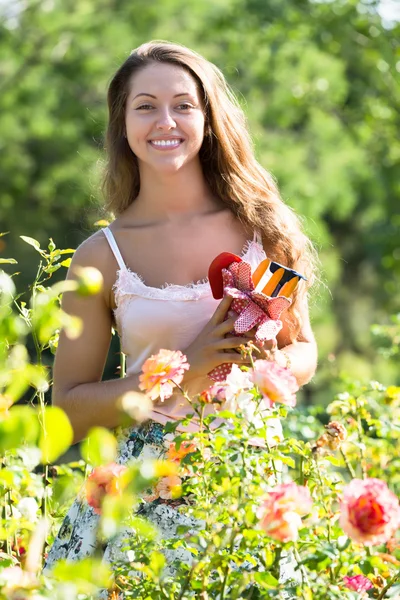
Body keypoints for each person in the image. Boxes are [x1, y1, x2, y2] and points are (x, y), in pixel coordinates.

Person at [45, 40, 318, 587]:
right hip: (135, 502)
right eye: (145, 105)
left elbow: (303, 347)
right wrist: (180, 373)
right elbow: (67, 411)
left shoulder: (265, 230)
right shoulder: (102, 256)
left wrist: (268, 370)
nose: (164, 121)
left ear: (209, 117)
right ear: (122, 122)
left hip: (247, 483)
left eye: (183, 104)